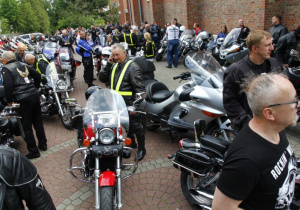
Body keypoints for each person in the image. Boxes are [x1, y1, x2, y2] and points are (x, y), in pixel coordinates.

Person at [212, 73, 298, 209]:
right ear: (269, 113)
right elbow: (221, 208)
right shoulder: (246, 161)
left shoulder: (277, 129)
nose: (298, 104)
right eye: (293, 101)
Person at [223, 30, 282, 132]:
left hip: (274, 125)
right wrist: (248, 124)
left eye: (272, 44)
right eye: (268, 45)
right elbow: (230, 102)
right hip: (249, 129)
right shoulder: (235, 71)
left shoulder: (274, 63)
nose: (272, 48)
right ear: (255, 48)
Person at [99, 43, 146, 161]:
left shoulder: (133, 67)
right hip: (116, 103)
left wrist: (134, 107)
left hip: (129, 104)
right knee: (125, 126)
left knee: (136, 127)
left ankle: (142, 149)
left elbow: (140, 90)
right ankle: (132, 143)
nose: (114, 57)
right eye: (113, 55)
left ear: (124, 53)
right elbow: (102, 79)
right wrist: (108, 64)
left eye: (117, 55)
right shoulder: (114, 65)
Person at [1, 51, 48, 159]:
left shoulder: (6, 69)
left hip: (22, 99)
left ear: (5, 60)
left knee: (26, 126)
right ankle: (43, 145)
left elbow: (8, 86)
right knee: (38, 122)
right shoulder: (23, 64)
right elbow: (37, 75)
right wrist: (34, 88)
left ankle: (33, 151)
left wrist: (9, 101)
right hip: (34, 96)